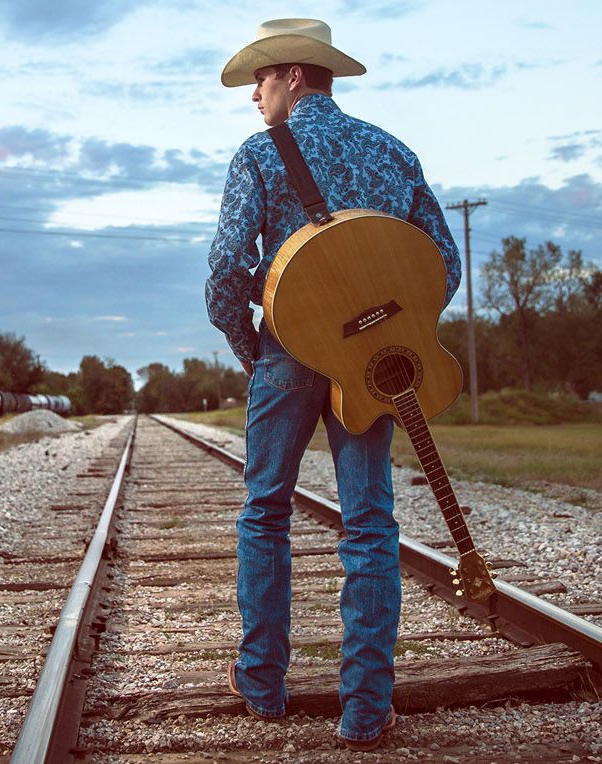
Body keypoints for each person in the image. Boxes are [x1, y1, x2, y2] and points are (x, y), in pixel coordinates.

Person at [205, 18, 462, 752]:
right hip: (370, 362)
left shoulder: (259, 154)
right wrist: (393, 335)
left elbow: (226, 272)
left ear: (291, 75)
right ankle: (365, 709)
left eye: (259, 80)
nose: (254, 96)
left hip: (287, 353)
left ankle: (261, 687)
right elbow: (441, 261)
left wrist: (253, 348)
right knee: (370, 523)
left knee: (264, 513)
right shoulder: (390, 150)